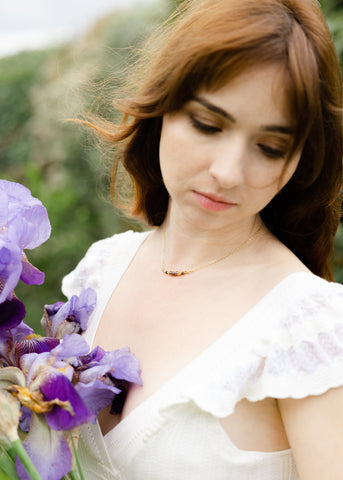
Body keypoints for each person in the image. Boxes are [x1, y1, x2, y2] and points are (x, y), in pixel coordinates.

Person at [62, 0, 343, 478]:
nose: (228, 172)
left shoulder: (310, 327)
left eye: (270, 147)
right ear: (163, 108)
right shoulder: (99, 271)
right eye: (208, 125)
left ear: (300, 159)